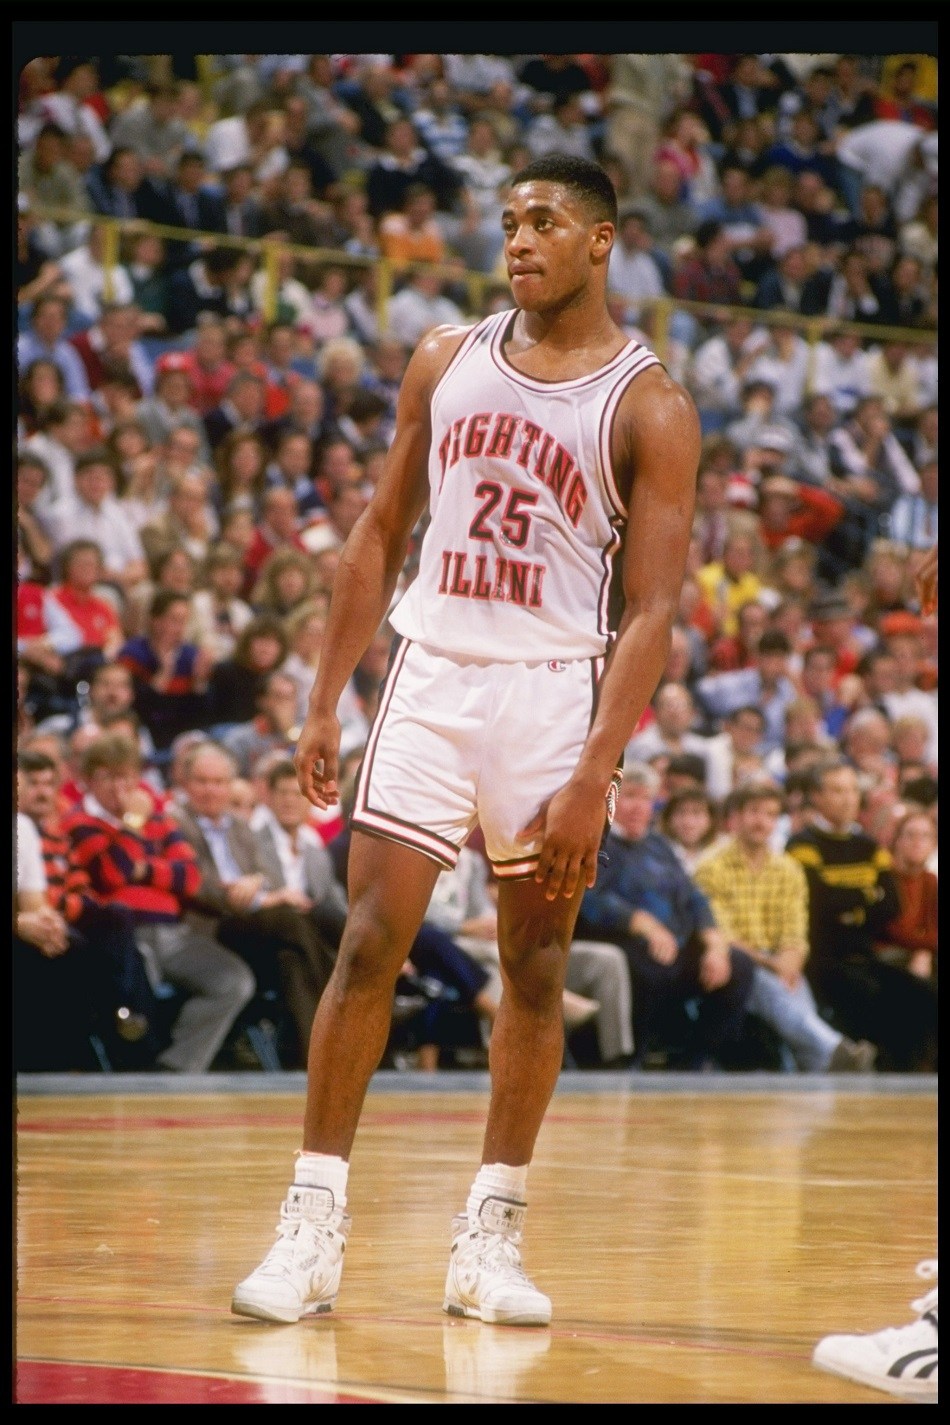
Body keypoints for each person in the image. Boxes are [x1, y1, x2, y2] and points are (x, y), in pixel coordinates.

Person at [232, 154, 700, 1328]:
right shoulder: (445, 355)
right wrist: (324, 693)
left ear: (603, 241)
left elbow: (648, 611)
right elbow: (378, 529)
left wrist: (596, 770)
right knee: (368, 941)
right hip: (433, 672)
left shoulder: (649, 405)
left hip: (552, 695)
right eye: (506, 223)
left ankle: (488, 1236)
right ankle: (311, 1223)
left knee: (534, 969)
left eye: (543, 221)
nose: (518, 241)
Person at [694, 780, 877, 1072]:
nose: (761, 821)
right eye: (754, 812)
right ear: (736, 818)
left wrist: (790, 961)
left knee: (792, 988)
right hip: (735, 963)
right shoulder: (711, 866)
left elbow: (795, 928)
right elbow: (720, 933)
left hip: (778, 961)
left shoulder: (788, 868)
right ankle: (833, 1050)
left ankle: (822, 1060)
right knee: (771, 985)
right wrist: (773, 964)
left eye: (770, 814)